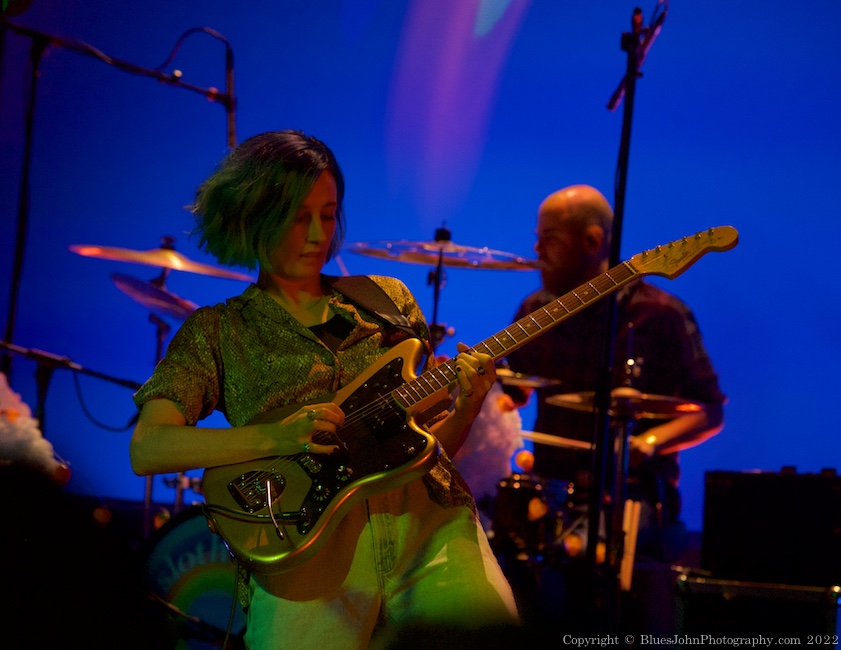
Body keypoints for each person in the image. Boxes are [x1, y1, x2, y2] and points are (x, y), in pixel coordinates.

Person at [129, 130, 519, 649]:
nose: (317, 234)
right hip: (307, 558)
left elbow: (425, 447)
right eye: (297, 216)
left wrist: (468, 407)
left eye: (328, 214)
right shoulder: (217, 332)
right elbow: (148, 446)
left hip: (429, 530)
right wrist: (277, 439)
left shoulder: (387, 299)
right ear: (254, 216)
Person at [501, 184, 725, 630]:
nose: (536, 249)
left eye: (550, 238)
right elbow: (516, 391)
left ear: (591, 241)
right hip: (547, 497)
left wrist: (645, 443)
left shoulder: (660, 315)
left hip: (631, 503)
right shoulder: (535, 310)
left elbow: (709, 410)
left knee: (584, 573)